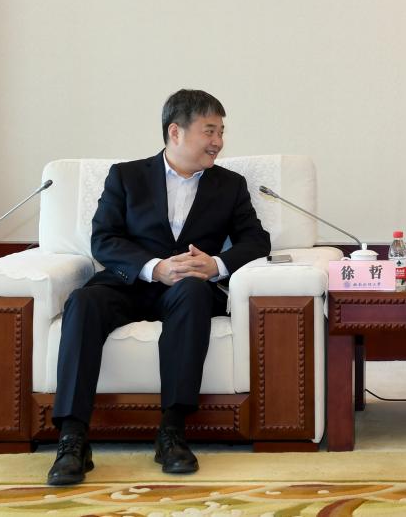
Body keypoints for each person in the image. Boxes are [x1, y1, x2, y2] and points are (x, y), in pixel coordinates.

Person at [46, 89, 271, 486]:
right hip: (131, 282)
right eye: (209, 131)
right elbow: (104, 239)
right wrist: (155, 268)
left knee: (194, 292)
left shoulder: (230, 185)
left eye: (221, 132)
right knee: (83, 302)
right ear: (175, 132)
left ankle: (172, 431)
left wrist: (216, 265)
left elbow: (256, 239)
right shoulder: (126, 176)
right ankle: (73, 438)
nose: (218, 141)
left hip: (189, 289)